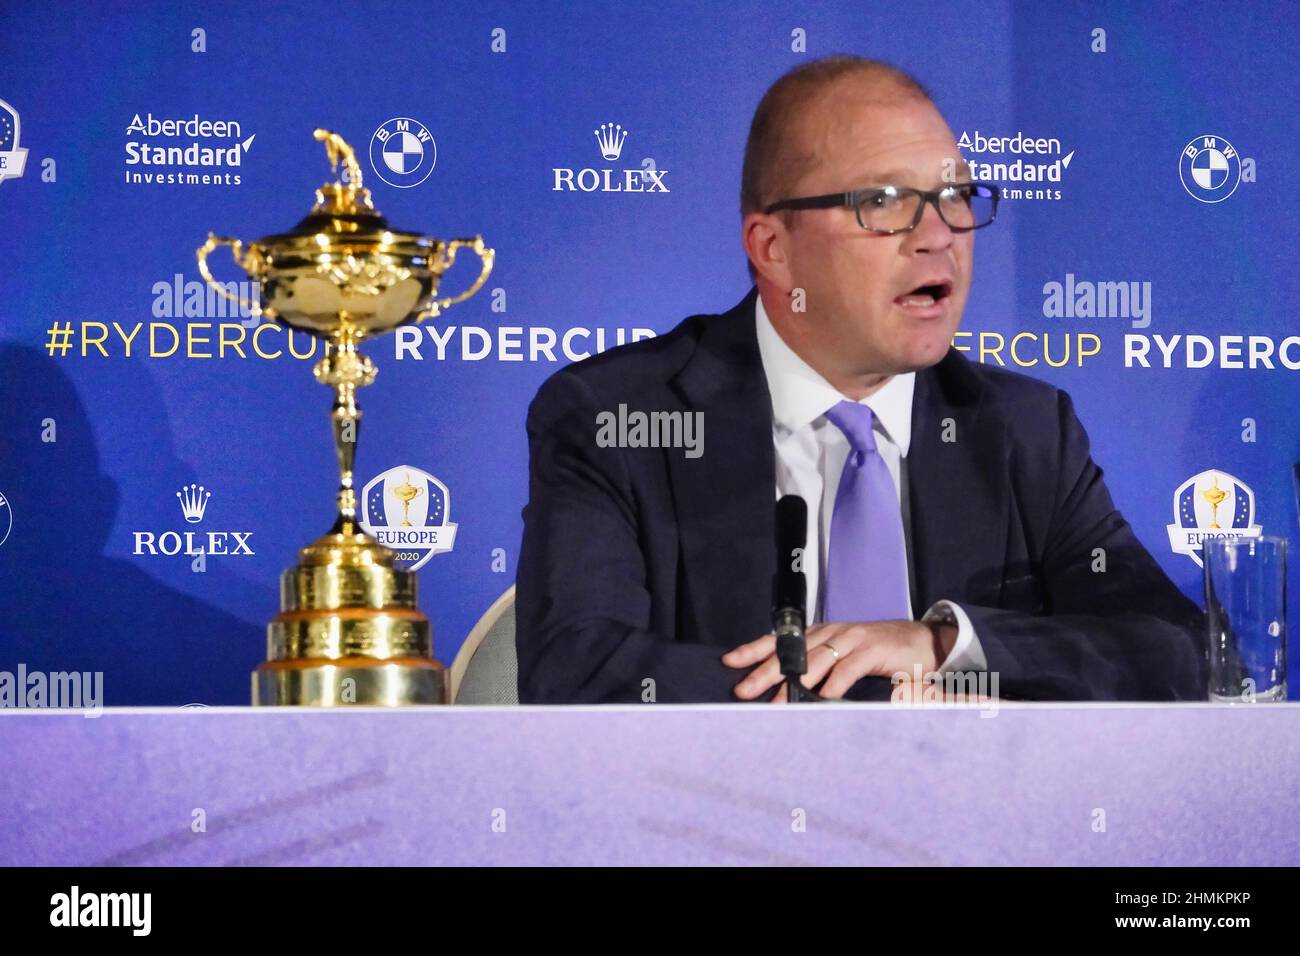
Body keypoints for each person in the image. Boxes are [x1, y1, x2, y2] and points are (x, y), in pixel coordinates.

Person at [516, 55, 1207, 704]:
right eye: (884, 201)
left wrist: (940, 647)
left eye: (956, 196)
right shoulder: (618, 419)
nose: (939, 235)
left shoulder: (1024, 433)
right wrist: (866, 696)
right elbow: (577, 671)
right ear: (773, 248)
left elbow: (1174, 652)